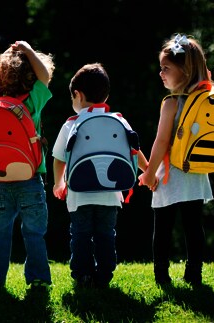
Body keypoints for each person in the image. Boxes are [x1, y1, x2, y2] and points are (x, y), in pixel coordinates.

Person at [51, 63, 149, 288]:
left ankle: (83, 275)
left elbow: (59, 158)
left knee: (81, 235)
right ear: (106, 95)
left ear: (78, 95)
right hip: (110, 193)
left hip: (79, 194)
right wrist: (149, 172)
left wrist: (59, 182)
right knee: (106, 234)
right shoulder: (119, 120)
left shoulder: (72, 124)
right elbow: (135, 152)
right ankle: (104, 273)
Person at [0, 40, 54, 291]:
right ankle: (38, 279)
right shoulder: (34, 99)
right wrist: (29, 51)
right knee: (34, 232)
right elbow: (45, 76)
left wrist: (8, 55)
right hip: (30, 175)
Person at [138, 34, 212, 286]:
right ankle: (194, 273)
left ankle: (162, 276)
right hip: (196, 172)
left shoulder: (171, 103)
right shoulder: (204, 100)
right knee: (194, 227)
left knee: (163, 228)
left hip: (170, 174)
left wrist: (148, 173)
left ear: (185, 69)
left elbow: (161, 143)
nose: (161, 73)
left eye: (166, 68)